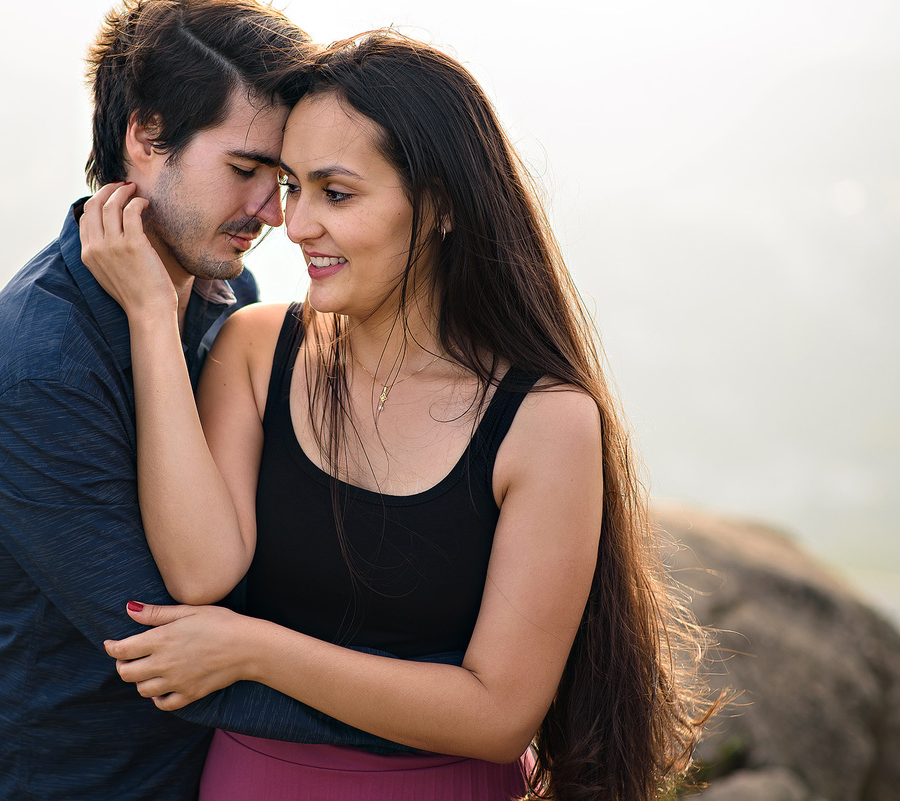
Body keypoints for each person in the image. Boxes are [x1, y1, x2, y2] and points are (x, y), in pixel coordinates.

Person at [82, 31, 715, 801]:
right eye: (292, 186)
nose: (297, 223)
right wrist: (151, 314)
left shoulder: (545, 421)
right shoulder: (254, 349)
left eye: (337, 193)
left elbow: (497, 713)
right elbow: (200, 568)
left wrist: (253, 650)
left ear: (440, 204)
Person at [0, 4, 426, 799]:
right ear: (146, 134)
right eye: (244, 170)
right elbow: (171, 645)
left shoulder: (228, 294)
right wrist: (453, 716)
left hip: (231, 775)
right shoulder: (34, 371)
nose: (273, 213)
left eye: (287, 179)